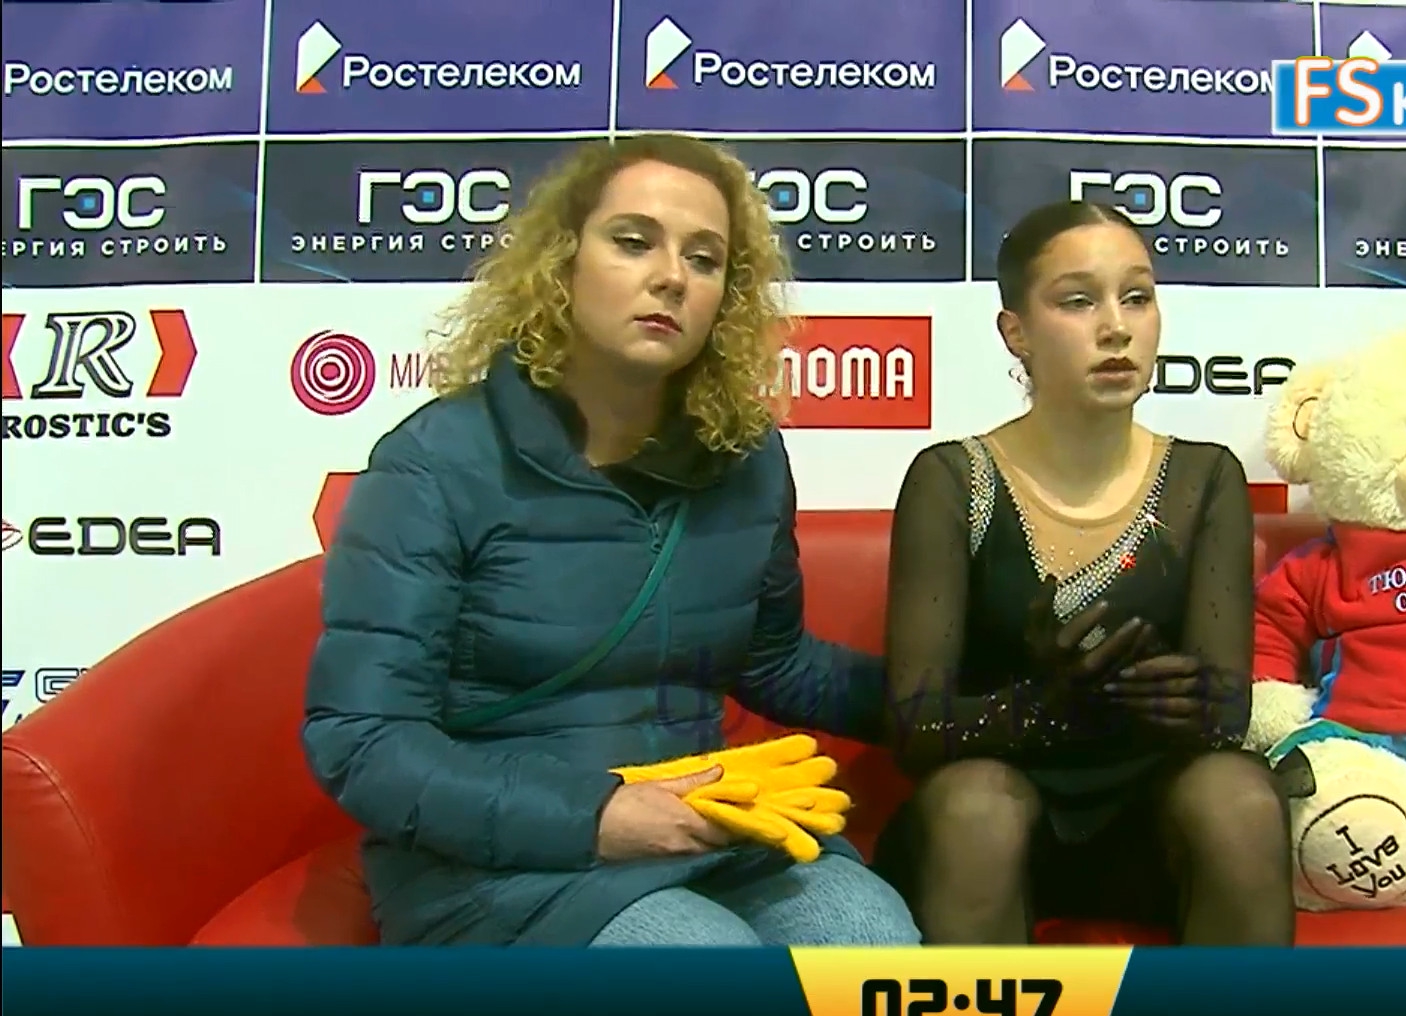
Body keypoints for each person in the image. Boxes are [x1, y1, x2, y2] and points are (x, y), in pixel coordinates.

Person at [302, 134, 920, 948]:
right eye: (634, 242)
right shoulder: (434, 464)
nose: (672, 276)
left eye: (704, 259)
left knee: (871, 940)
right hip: (496, 865)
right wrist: (597, 818)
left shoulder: (745, 457)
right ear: (561, 263)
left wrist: (960, 702)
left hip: (706, 822)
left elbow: (773, 662)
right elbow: (364, 738)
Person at [872, 200, 1305, 946]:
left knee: (1236, 798)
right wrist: (1046, 705)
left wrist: (1158, 689)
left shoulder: (1205, 476)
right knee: (978, 809)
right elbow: (915, 727)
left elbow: (1225, 714)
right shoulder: (951, 477)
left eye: (1136, 297)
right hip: (990, 814)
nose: (1116, 327)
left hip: (1155, 825)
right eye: (1078, 301)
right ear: (1016, 333)